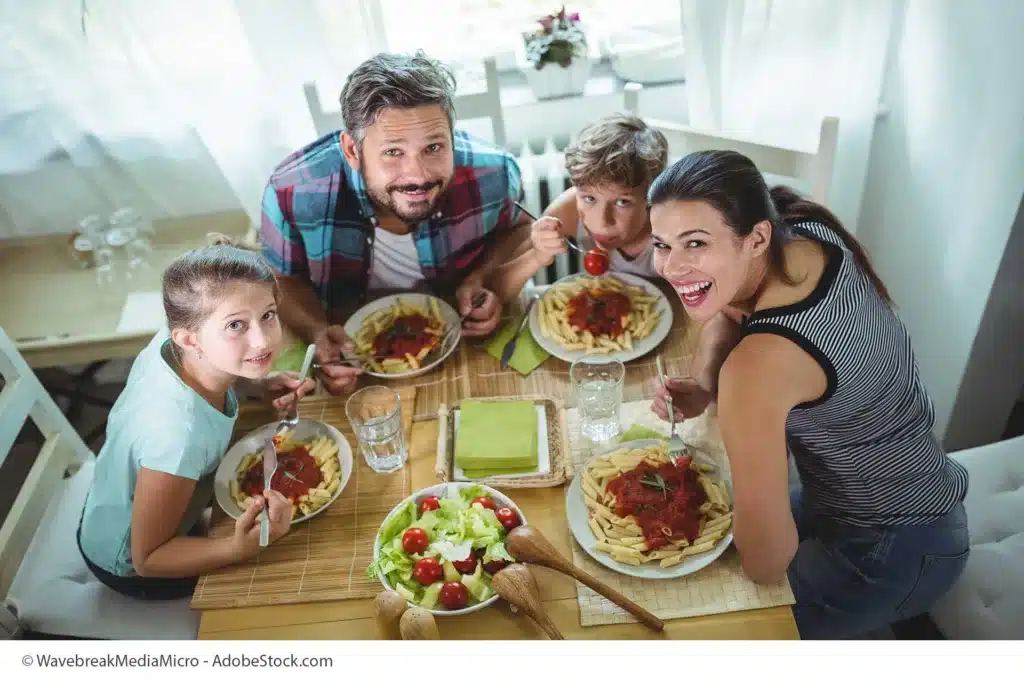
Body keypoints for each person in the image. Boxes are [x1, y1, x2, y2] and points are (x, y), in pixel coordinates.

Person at [647, 150, 969, 639]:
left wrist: (733, 398)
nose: (672, 267)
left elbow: (765, 564)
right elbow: (731, 308)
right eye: (662, 244)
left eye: (695, 243)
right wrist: (707, 383)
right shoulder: (803, 231)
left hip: (895, 548)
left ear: (755, 238)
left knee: (704, 627)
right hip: (881, 498)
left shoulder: (758, 369)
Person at [260, 51, 532, 394]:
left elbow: (520, 230)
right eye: (393, 152)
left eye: (433, 147)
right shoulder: (289, 191)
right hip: (352, 368)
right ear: (352, 151)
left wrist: (484, 278)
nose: (417, 175)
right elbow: (280, 279)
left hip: (467, 350)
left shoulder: (494, 171)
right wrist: (317, 330)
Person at [76, 238, 316, 600]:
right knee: (297, 566)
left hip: (117, 501)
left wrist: (257, 385)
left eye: (267, 315)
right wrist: (240, 549)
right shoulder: (178, 435)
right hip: (131, 563)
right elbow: (149, 558)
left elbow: (213, 361)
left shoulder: (178, 339)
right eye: (236, 326)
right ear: (189, 339)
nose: (262, 340)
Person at [491, 114, 668, 300]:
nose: (601, 222)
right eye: (589, 198)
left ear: (652, 198)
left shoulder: (671, 227)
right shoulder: (566, 212)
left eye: (622, 202)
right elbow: (493, 290)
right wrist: (537, 255)